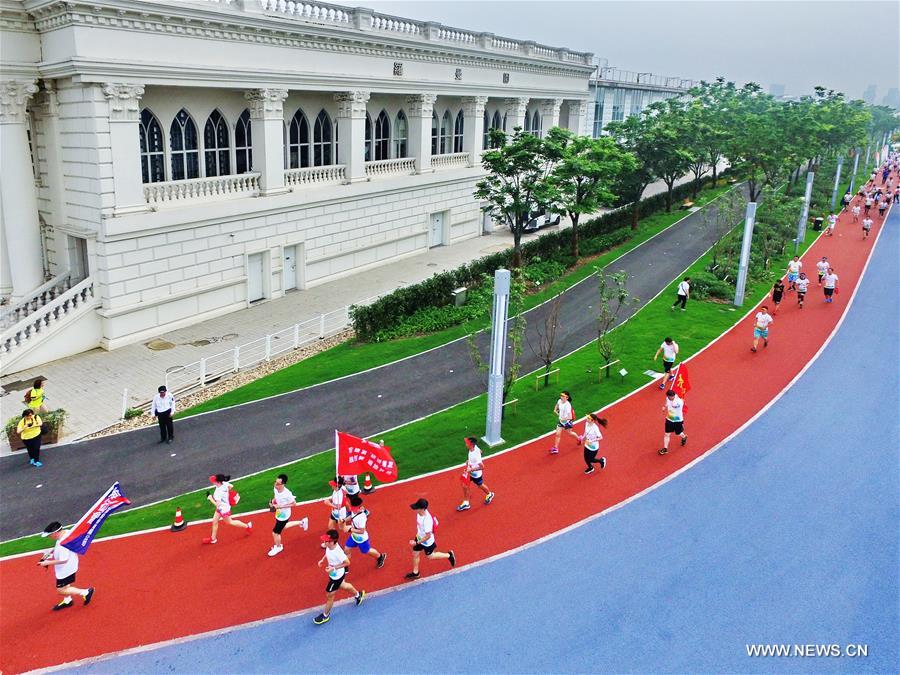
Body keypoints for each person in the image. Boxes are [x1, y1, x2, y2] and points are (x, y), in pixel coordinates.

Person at [38, 521, 94, 611]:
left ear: (55, 533)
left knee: (61, 590)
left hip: (65, 570)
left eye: (49, 535)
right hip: (72, 565)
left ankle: (85, 592)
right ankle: (67, 600)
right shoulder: (67, 533)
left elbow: (64, 560)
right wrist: (50, 552)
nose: (49, 537)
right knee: (66, 586)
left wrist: (47, 563)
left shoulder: (62, 545)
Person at [313, 529, 364, 625]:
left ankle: (325, 615)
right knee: (343, 586)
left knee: (329, 595)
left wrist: (333, 568)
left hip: (337, 576)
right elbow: (327, 553)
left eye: (326, 541)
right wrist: (322, 559)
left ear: (332, 541)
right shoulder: (329, 546)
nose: (324, 542)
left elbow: (347, 562)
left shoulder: (338, 552)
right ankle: (358, 595)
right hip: (334, 574)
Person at [405, 498, 455, 579]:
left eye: (417, 508)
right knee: (415, 553)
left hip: (427, 542)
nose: (415, 509)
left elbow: (428, 536)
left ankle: (449, 555)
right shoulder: (419, 513)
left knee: (430, 556)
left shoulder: (427, 521)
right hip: (419, 537)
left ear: (422, 509)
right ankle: (415, 573)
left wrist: (417, 543)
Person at [203, 474, 252, 544]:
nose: (212, 482)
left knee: (230, 522)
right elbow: (231, 486)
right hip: (222, 508)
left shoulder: (218, 493)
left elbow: (217, 505)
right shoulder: (225, 483)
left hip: (224, 510)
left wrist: (210, 498)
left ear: (218, 482)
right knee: (214, 521)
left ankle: (247, 526)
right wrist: (226, 494)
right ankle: (213, 538)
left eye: (213, 481)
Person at [268, 473, 308, 557]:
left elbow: (294, 504)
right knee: (284, 527)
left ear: (283, 484)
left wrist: (280, 506)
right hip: (279, 512)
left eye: (278, 484)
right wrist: (273, 501)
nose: (276, 484)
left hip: (284, 515)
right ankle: (302, 522)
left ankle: (278, 547)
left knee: (275, 533)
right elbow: (276, 496)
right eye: (275, 482)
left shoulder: (287, 494)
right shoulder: (275, 488)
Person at [344, 495, 386, 568]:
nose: (353, 510)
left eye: (355, 509)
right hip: (354, 536)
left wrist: (350, 529)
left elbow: (362, 531)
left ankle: (380, 556)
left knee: (366, 551)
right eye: (352, 508)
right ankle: (345, 565)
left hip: (361, 539)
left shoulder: (361, 517)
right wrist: (344, 520)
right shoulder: (355, 510)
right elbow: (352, 516)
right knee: (347, 549)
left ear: (360, 508)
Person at [457, 436, 495, 511]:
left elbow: (482, 467)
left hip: (476, 474)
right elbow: (481, 451)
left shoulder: (475, 454)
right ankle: (466, 503)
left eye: (467, 443)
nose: (465, 444)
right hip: (470, 472)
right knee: (464, 485)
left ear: (471, 444)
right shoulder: (474, 447)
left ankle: (489, 494)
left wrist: (471, 469)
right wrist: (469, 461)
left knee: (480, 485)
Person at [658, 390, 686, 456]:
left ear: (674, 395)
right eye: (669, 397)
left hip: (677, 421)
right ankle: (665, 449)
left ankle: (684, 437)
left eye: (672, 397)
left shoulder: (679, 402)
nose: (671, 398)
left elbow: (673, 405)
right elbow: (667, 403)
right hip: (669, 419)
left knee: (678, 433)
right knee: (666, 434)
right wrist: (664, 407)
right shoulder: (668, 398)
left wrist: (674, 400)